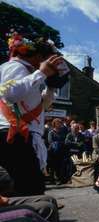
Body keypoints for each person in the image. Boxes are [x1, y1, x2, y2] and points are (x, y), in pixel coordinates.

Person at [0, 31, 66, 196]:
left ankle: (32, 213)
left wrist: (50, 87)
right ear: (37, 55)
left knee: (28, 188)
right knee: (30, 189)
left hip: (23, 135)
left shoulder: (30, 73)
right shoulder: (15, 66)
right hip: (13, 134)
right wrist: (41, 73)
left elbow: (42, 106)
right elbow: (10, 93)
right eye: (47, 58)